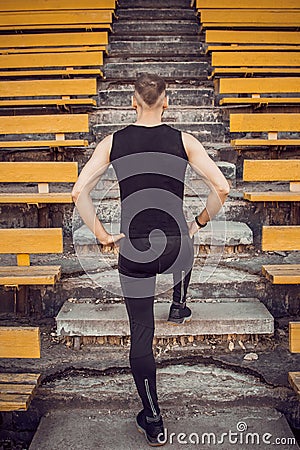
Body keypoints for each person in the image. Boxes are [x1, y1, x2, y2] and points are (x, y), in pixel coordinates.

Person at [72, 73, 230, 447]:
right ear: (166, 103)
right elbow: (222, 187)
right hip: (175, 247)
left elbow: (78, 191)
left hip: (135, 251)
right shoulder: (184, 141)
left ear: (133, 103)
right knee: (185, 239)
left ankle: (154, 417)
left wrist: (102, 235)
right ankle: (178, 303)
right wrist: (200, 221)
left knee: (142, 336)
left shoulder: (113, 142)